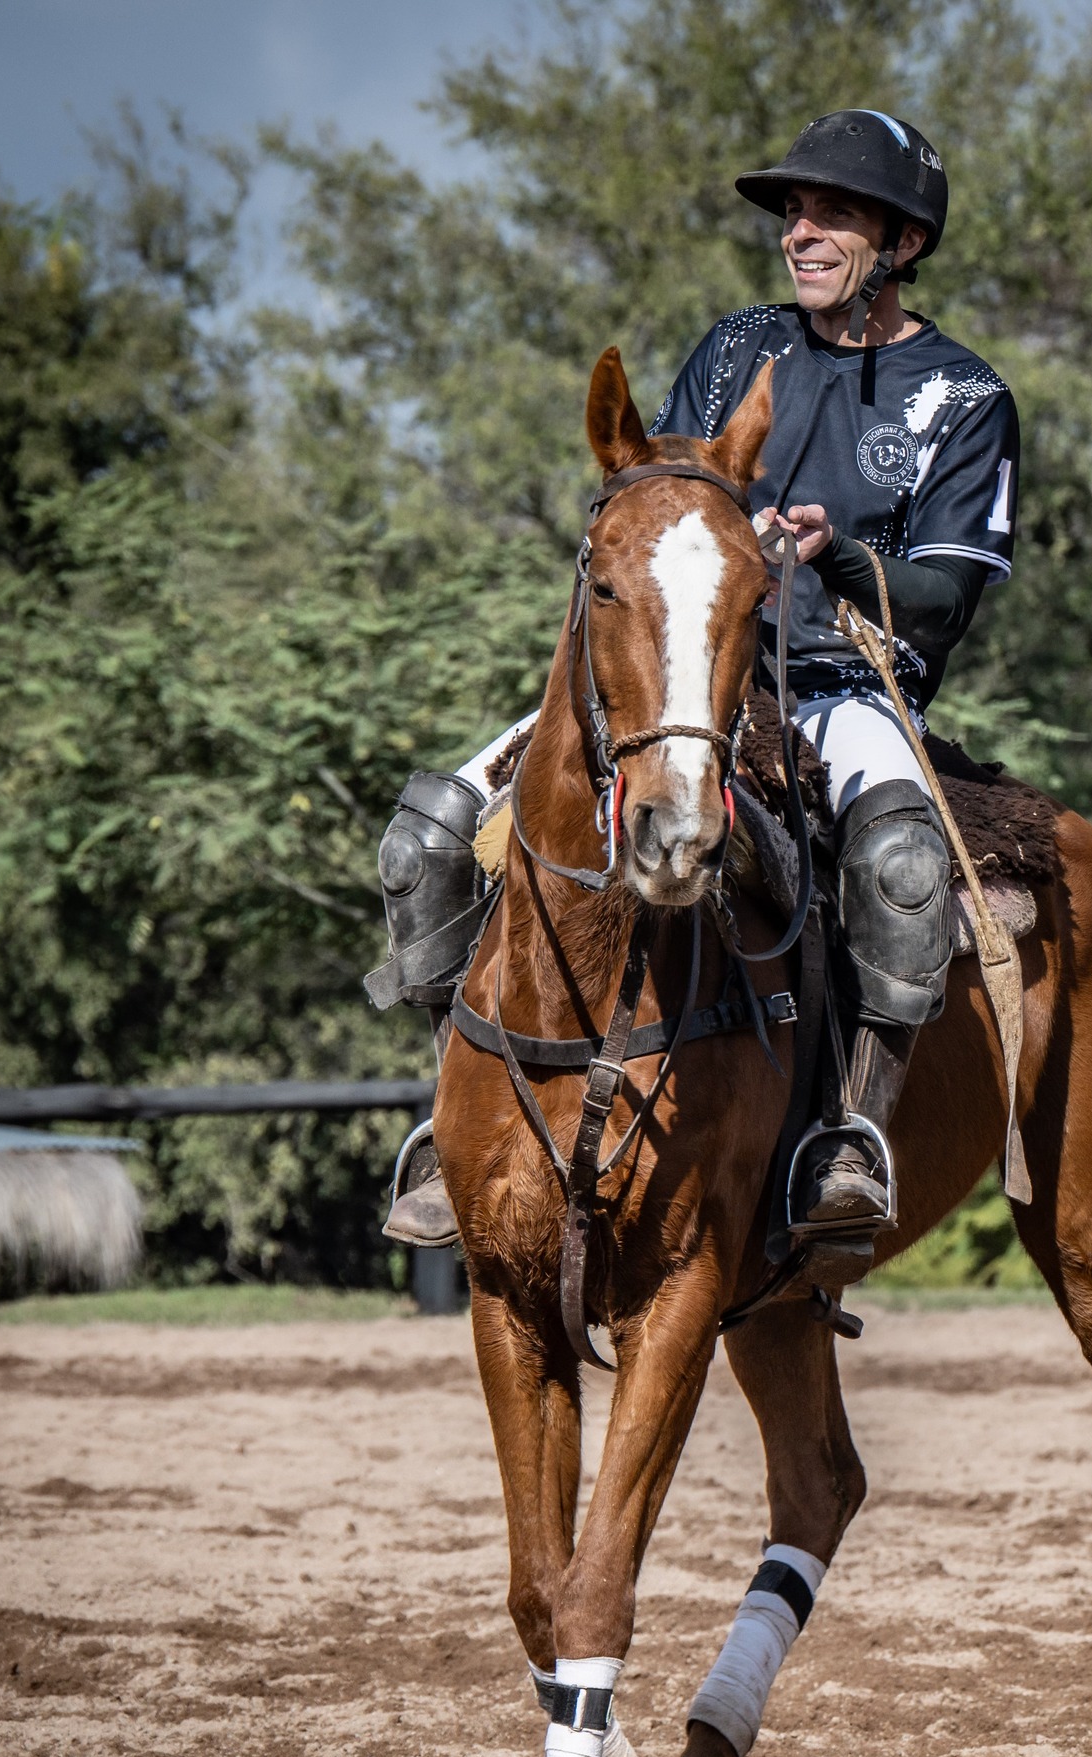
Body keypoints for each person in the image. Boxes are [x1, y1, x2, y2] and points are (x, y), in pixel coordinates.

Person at [371, 110, 1019, 1274]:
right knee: (425, 836)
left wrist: (834, 553)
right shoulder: (733, 351)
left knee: (903, 868)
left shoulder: (962, 398)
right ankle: (447, 1124)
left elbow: (952, 590)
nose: (800, 232)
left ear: (905, 240)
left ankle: (849, 1136)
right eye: (792, 212)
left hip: (838, 688)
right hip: (681, 679)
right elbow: (659, 486)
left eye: (831, 214)